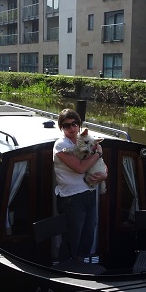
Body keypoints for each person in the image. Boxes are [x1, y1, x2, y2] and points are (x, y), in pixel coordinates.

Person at [53, 108, 108, 261]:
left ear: (79, 124)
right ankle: (65, 271)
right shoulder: (60, 145)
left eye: (74, 124)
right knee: (72, 238)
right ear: (61, 128)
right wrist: (98, 153)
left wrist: (105, 175)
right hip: (71, 199)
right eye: (66, 125)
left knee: (87, 236)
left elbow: (101, 164)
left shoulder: (87, 139)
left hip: (89, 195)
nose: (72, 128)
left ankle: (80, 266)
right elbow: (80, 168)